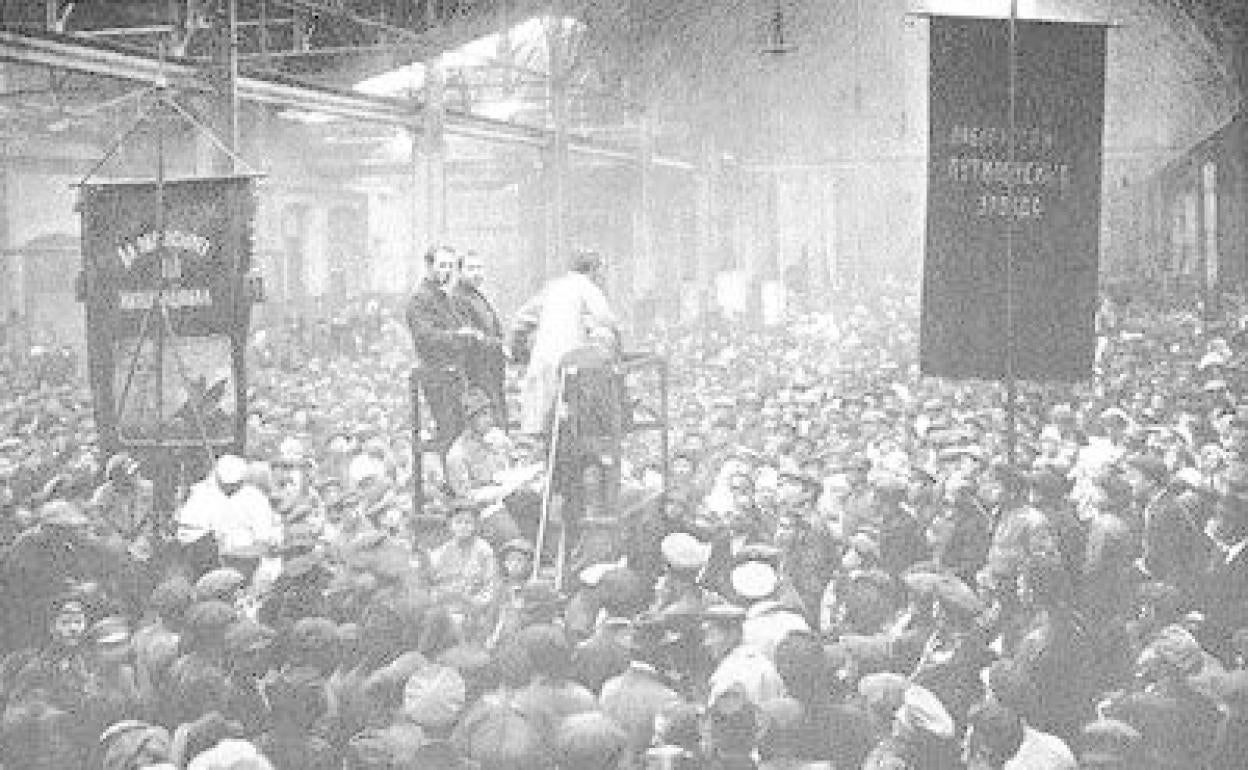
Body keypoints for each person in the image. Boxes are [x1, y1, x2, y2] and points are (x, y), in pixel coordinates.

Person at [514, 249, 620, 437]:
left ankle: (541, 441)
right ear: (593, 270)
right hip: (569, 360)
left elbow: (522, 316)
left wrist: (530, 339)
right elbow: (606, 319)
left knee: (542, 417)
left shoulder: (553, 287)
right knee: (569, 413)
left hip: (543, 358)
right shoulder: (587, 287)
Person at [405, 245, 482, 454]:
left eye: (450, 266)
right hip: (438, 376)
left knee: (462, 433)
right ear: (429, 266)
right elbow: (426, 337)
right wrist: (458, 336)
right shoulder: (419, 300)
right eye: (442, 265)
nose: (447, 271)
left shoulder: (444, 297)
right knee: (450, 435)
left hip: (455, 376)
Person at [453, 250, 508, 428]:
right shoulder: (458, 299)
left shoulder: (476, 296)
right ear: (460, 272)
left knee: (497, 412)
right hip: (475, 368)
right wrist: (498, 345)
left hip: (490, 365)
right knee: (486, 417)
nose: (477, 273)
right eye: (471, 268)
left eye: (479, 268)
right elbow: (471, 335)